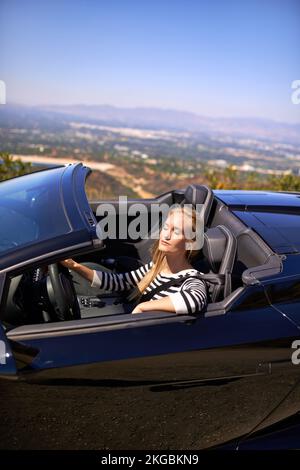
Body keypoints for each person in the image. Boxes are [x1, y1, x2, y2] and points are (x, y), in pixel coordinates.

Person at [61, 206, 207, 315]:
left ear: (190, 243)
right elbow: (118, 282)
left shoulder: (191, 279)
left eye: (175, 231)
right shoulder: (157, 266)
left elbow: (196, 299)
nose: (166, 236)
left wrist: (143, 307)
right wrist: (74, 265)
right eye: (166, 228)